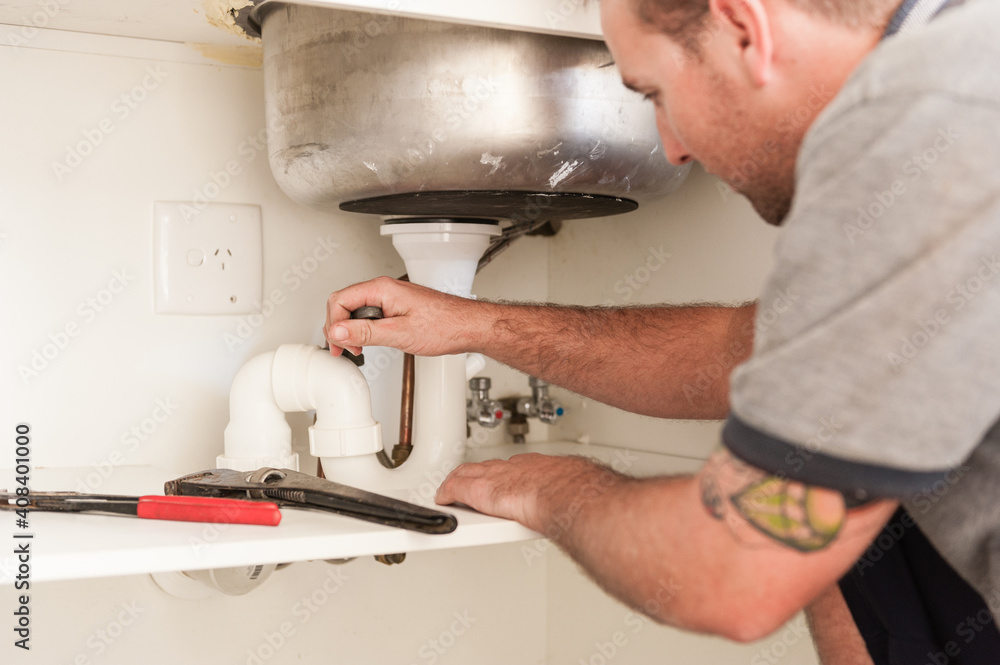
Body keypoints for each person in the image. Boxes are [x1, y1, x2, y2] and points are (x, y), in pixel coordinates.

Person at [324, 0, 1000, 659]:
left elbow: (735, 570)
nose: (673, 149)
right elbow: (756, 349)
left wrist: (550, 489)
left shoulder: (929, 123)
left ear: (742, 26)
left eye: (654, 91)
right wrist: (478, 323)